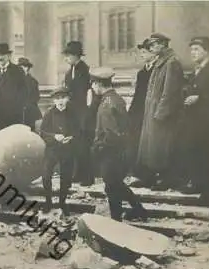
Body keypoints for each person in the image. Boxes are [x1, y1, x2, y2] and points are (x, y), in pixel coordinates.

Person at [90, 67, 147, 222]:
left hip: (111, 151)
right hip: (122, 149)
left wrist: (99, 148)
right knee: (116, 184)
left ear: (98, 84)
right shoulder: (117, 99)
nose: (92, 88)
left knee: (111, 186)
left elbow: (110, 133)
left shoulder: (106, 104)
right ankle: (139, 210)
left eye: (93, 84)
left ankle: (116, 220)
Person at [177, 37, 209, 202]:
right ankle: (196, 183)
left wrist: (200, 98)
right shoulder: (197, 70)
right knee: (194, 150)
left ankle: (207, 189)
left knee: (206, 152)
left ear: (207, 51)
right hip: (194, 120)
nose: (193, 53)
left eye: (197, 49)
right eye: (191, 50)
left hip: (207, 120)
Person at [136, 33, 184, 191]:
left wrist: (160, 113)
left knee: (163, 147)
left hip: (162, 113)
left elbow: (170, 92)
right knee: (151, 147)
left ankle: (166, 179)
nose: (151, 47)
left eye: (154, 44)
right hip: (152, 110)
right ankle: (149, 177)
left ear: (163, 44)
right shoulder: (160, 61)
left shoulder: (171, 62)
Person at [40, 87, 80, 216]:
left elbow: (78, 130)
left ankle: (62, 203)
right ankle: (48, 202)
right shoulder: (49, 113)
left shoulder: (73, 113)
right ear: (53, 100)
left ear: (68, 99)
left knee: (66, 178)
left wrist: (72, 138)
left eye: (63, 98)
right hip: (52, 150)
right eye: (57, 99)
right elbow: (43, 132)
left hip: (67, 150)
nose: (60, 101)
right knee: (46, 176)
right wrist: (54, 137)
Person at [62, 41, 94, 186]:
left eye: (68, 55)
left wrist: (87, 112)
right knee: (75, 144)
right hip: (73, 112)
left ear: (76, 55)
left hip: (83, 113)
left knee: (84, 145)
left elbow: (89, 92)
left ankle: (87, 176)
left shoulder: (85, 70)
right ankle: (78, 173)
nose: (66, 58)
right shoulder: (70, 71)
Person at [127, 39, 157, 182]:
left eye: (145, 52)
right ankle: (138, 173)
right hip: (139, 112)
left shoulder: (157, 71)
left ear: (153, 53)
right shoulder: (141, 73)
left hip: (151, 112)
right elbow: (138, 95)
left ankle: (149, 175)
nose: (142, 55)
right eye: (141, 52)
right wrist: (131, 112)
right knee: (136, 140)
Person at [0, 43, 27, 135]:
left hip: (12, 116)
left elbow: (23, 92)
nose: (0, 57)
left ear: (9, 56)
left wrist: (16, 108)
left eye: (3, 54)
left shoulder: (18, 71)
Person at [18, 57, 42, 131]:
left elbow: (36, 97)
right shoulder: (14, 80)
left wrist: (27, 104)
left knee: (30, 130)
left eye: (24, 66)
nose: (22, 68)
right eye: (20, 67)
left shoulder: (33, 81)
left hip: (30, 111)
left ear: (28, 68)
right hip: (18, 111)